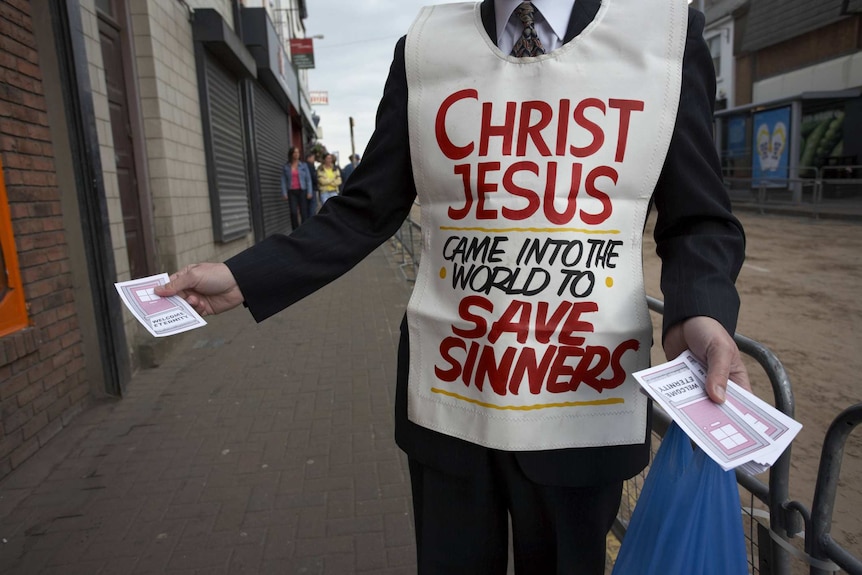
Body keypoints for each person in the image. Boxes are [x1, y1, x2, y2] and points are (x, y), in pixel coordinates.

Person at [156, 1, 750, 573]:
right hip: (451, 397)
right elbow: (364, 208)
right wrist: (242, 277)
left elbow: (698, 218)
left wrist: (698, 318)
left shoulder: (665, 38)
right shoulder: (424, 50)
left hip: (581, 402)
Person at [281, 146, 314, 230]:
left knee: (304, 212)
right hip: (292, 192)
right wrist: (284, 193)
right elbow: (283, 180)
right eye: (294, 152)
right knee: (293, 212)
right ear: (291, 154)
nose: (296, 154)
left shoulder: (303, 165)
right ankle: (295, 231)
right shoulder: (286, 167)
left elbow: (308, 179)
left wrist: (309, 192)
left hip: (302, 190)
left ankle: (304, 230)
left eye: (298, 152)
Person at [305, 151, 319, 216]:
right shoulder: (310, 166)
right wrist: (317, 181)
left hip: (305, 189)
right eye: (313, 158)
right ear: (309, 158)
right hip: (312, 188)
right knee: (313, 206)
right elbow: (313, 177)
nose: (314, 160)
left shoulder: (303, 166)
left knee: (308, 207)